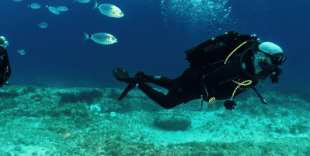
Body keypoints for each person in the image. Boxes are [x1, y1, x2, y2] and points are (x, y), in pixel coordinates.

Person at [113, 31, 285, 110]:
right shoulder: (240, 66)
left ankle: (143, 76)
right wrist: (210, 97)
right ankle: (139, 83)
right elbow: (208, 80)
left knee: (172, 84)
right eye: (275, 60)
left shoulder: (254, 69)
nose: (276, 65)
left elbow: (236, 85)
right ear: (262, 55)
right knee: (167, 103)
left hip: (194, 77)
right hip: (195, 81)